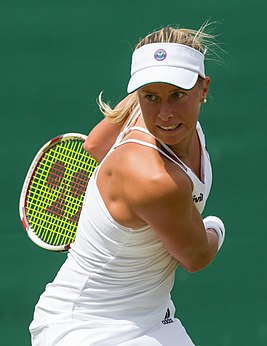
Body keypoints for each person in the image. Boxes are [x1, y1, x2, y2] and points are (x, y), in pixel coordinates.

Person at [29, 24, 225, 346]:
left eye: (177, 94)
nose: (164, 113)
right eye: (151, 96)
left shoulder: (140, 110)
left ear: (203, 89)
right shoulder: (156, 180)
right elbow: (196, 256)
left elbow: (94, 145)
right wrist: (216, 226)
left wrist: (112, 212)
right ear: (138, 94)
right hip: (85, 329)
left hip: (154, 316)